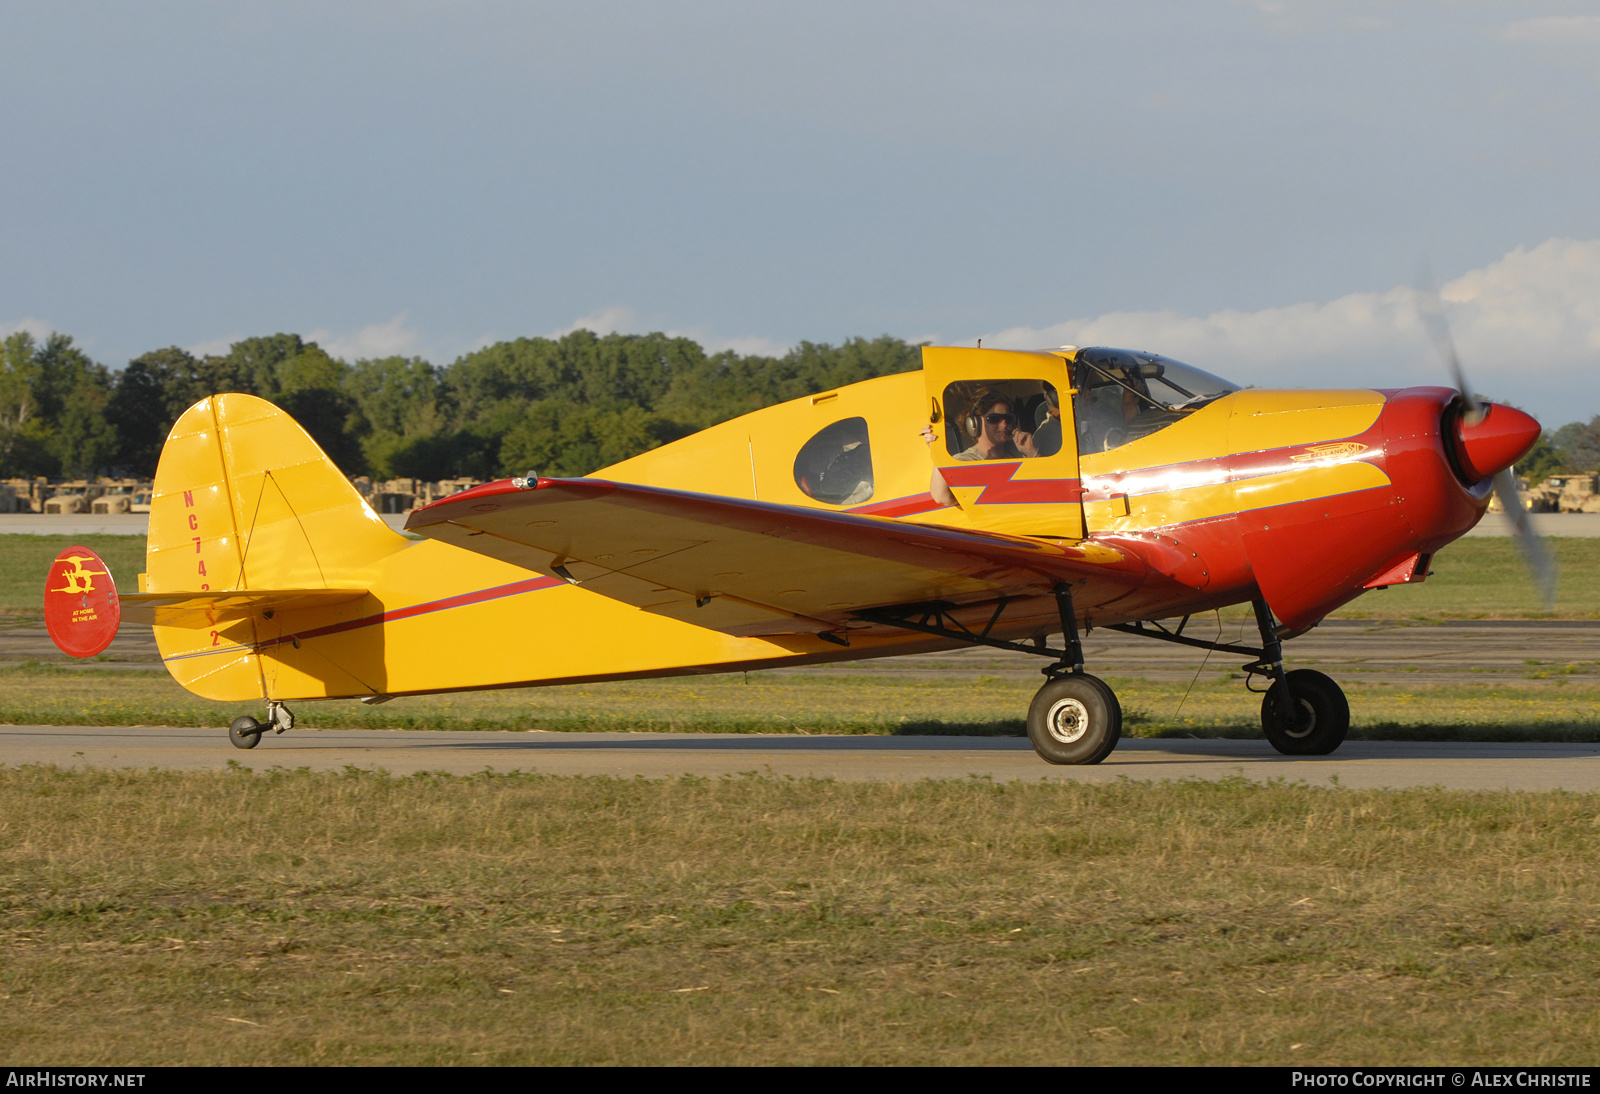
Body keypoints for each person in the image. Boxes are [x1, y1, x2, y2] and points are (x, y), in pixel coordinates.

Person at [953, 393, 1031, 461]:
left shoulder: (1021, 449)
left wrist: (1031, 453)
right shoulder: (962, 462)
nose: (1004, 425)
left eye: (1008, 418)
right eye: (994, 418)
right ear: (974, 424)